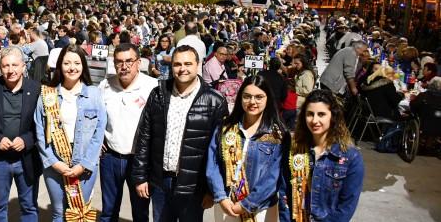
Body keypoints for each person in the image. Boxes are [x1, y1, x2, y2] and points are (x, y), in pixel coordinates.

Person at [132, 45, 229, 221]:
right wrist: (140, 176)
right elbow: (144, 137)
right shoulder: (158, 94)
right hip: (161, 181)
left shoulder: (215, 101)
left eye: (187, 63)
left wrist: (211, 190)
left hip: (194, 185)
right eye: (177, 64)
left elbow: (220, 152)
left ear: (198, 65)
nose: (182, 69)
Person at [34, 44, 106, 221]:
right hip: (55, 163)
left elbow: (99, 133)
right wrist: (53, 162)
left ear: (83, 66)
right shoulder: (47, 94)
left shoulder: (94, 94)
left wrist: (84, 164)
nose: (72, 67)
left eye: (77, 63)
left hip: (84, 163)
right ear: (59, 65)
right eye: (67, 63)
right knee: (59, 212)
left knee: (79, 211)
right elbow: (39, 132)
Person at [0, 47, 42, 222]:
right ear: (0, 68)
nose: (10, 70)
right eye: (5, 66)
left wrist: (26, 140)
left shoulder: (36, 89)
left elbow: (43, 124)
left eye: (15, 65)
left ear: (24, 67)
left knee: (29, 206)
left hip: (26, 158)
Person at [206, 75, 286, 222]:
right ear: (240, 98)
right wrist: (221, 197)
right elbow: (213, 164)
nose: (252, 102)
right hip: (227, 204)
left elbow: (273, 177)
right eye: (247, 96)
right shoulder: (225, 128)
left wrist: (246, 204)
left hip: (261, 208)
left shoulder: (277, 135)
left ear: (267, 98)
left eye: (259, 97)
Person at [279, 90, 364, 222]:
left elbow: (346, 207)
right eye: (310, 114)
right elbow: (284, 193)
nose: (315, 120)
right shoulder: (294, 149)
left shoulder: (351, 157)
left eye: (321, 114)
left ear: (332, 116)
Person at [98, 43, 156, 222]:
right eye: (119, 62)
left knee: (140, 212)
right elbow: (96, 118)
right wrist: (97, 139)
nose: (124, 66)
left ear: (139, 62)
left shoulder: (152, 87)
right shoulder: (105, 86)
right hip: (110, 158)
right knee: (108, 210)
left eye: (129, 61)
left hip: (139, 161)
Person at [289, 54, 316, 129]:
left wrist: (295, 89)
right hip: (298, 98)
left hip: (301, 100)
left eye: (297, 64)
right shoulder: (300, 72)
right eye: (295, 63)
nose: (295, 65)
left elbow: (308, 90)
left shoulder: (307, 74)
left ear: (303, 63)